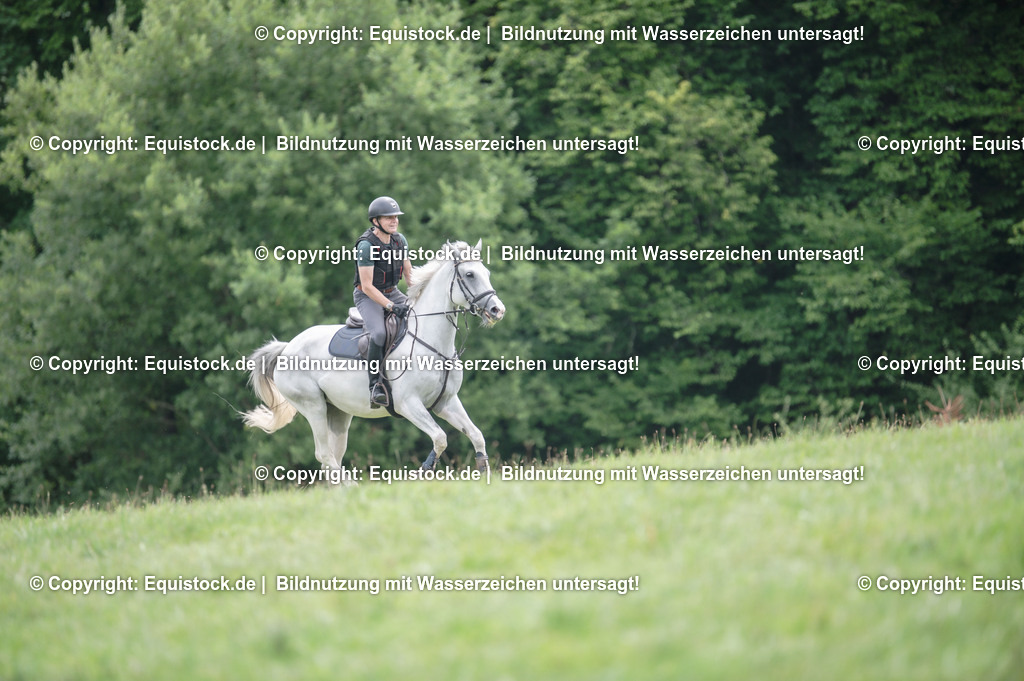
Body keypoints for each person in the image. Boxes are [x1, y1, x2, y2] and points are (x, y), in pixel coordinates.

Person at [353, 196, 413, 407]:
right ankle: (375, 385)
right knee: (378, 333)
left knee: (417, 315)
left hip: (393, 291)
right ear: (376, 221)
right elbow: (368, 286)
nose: (394, 220)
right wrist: (390, 306)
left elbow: (409, 275)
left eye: (395, 217)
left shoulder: (400, 240)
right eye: (388, 217)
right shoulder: (366, 246)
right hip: (368, 296)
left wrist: (415, 299)